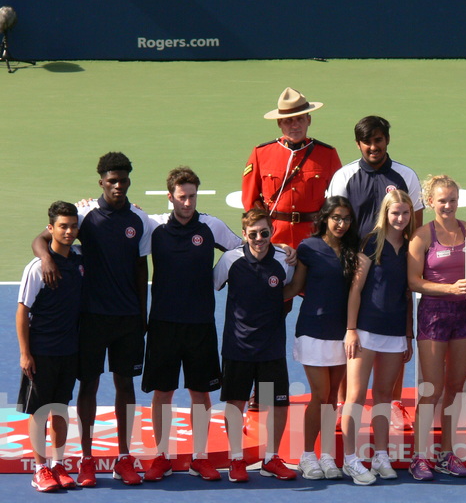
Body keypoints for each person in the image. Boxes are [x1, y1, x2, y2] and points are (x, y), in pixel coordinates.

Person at [32, 152, 152, 487]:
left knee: (125, 385)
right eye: (111, 180)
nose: (117, 186)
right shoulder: (83, 215)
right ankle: (86, 460)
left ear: (129, 181)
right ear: (101, 181)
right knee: (89, 385)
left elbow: (142, 268)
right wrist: (47, 260)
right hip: (92, 318)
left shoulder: (139, 220)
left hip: (127, 318)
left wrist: (142, 313)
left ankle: (124, 458)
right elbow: (41, 238)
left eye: (123, 180)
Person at [142, 167, 242, 482]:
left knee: (201, 392)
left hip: (200, 325)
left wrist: (218, 277)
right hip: (162, 324)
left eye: (192, 196)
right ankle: (162, 455)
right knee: (163, 392)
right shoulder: (154, 227)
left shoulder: (211, 226)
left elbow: (242, 249)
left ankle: (200, 457)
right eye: (182, 197)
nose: (187, 203)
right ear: (170, 196)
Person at [327, 115, 424, 431]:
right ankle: (344, 402)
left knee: (394, 332)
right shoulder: (345, 176)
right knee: (350, 339)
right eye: (367, 142)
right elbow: (334, 224)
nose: (373, 147)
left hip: (393, 268)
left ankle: (393, 404)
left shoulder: (405, 176)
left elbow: (416, 227)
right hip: (354, 268)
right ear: (358, 144)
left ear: (387, 141)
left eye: (378, 140)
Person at [213, 208, 297, 483]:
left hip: (271, 347)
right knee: (236, 402)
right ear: (244, 234)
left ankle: (271, 458)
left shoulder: (284, 260)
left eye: (264, 232)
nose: (259, 239)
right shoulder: (230, 260)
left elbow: (291, 288)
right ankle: (236, 459)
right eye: (253, 234)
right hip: (238, 347)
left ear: (272, 232)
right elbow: (212, 285)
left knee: (278, 404)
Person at [340, 190, 417, 485]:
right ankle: (350, 458)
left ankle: (381, 455)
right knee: (356, 396)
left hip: (395, 332)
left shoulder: (411, 247)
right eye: (395, 213)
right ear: (385, 214)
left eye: (405, 213)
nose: (400, 218)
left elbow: (408, 296)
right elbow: (356, 290)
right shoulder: (372, 243)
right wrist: (351, 329)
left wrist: (408, 335)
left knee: (384, 396)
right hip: (366, 331)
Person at [407, 175, 466, 481]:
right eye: (441, 200)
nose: (447, 205)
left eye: (452, 199)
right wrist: (449, 289)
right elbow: (413, 281)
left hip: (464, 316)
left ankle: (447, 452)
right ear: (430, 202)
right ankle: (419, 456)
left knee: (455, 388)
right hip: (433, 316)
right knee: (431, 390)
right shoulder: (422, 235)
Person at [284, 196, 359, 480]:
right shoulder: (309, 247)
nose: (341, 224)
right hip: (313, 331)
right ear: (325, 218)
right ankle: (307, 455)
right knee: (319, 394)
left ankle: (327, 455)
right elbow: (294, 287)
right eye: (336, 218)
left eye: (346, 219)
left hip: (342, 334)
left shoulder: (353, 248)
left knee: (330, 397)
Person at [17, 202, 82, 492]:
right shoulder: (36, 268)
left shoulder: (80, 261)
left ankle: (58, 464)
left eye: (72, 226)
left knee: (60, 409)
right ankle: (40, 469)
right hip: (41, 351)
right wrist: (25, 353)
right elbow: (22, 310)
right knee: (40, 412)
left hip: (69, 349)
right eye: (62, 226)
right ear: (50, 229)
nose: (68, 231)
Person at [242, 87, 342, 248]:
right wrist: (261, 231)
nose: (295, 125)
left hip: (314, 238)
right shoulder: (261, 153)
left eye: (300, 119)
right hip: (274, 238)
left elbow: (338, 200)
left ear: (309, 120)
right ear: (279, 122)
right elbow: (250, 199)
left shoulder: (327, 154)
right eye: (288, 120)